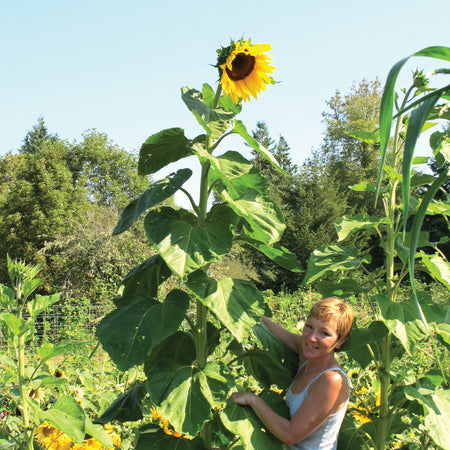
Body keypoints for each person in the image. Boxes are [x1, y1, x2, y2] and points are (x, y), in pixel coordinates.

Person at [230, 297, 354, 450]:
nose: (312, 337)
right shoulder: (308, 355)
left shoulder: (332, 380)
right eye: (309, 326)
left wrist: (252, 399)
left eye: (324, 333)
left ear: (340, 341)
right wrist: (249, 311)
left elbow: (290, 434)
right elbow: (283, 335)